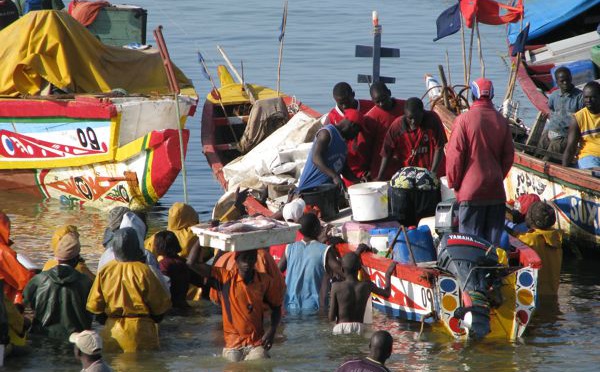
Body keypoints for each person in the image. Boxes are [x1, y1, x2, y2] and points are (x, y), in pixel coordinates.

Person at [446, 78, 514, 246]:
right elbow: (508, 156)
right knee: (493, 246)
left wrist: (454, 182)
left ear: (473, 95)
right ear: (492, 95)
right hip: (496, 190)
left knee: (471, 245)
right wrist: (498, 176)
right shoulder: (501, 121)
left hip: (471, 192)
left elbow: (455, 155)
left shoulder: (463, 120)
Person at [87, 228, 171, 353]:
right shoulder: (145, 271)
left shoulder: (106, 271)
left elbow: (94, 307)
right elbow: (160, 307)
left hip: (112, 333)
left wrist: (108, 319)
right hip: (142, 332)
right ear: (137, 246)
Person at [191, 250, 283, 362]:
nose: (248, 263)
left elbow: (277, 306)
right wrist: (201, 237)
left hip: (256, 343)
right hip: (233, 344)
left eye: (251, 258)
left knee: (260, 359)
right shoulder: (225, 278)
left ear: (255, 260)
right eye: (244, 259)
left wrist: (272, 331)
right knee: (233, 363)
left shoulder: (264, 281)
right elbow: (191, 263)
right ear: (236, 260)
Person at [23, 232, 93, 340]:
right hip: (77, 338)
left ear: (57, 258)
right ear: (77, 258)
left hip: (41, 335)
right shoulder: (85, 282)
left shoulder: (39, 279)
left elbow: (23, 305)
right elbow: (95, 310)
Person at [278, 212, 342, 314]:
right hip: (315, 309)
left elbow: (276, 272)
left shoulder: (289, 247)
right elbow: (343, 272)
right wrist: (356, 254)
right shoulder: (325, 250)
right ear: (317, 229)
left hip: (290, 306)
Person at [376, 97, 446, 181]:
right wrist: (380, 176)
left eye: (416, 118)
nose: (413, 121)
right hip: (408, 173)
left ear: (422, 113)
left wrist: (432, 173)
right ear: (405, 115)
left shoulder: (432, 120)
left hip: (431, 169)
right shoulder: (397, 126)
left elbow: (439, 147)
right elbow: (387, 152)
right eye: (410, 118)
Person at [329, 252, 395, 335]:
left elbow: (331, 317)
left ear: (342, 269)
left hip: (340, 328)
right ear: (359, 268)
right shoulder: (367, 285)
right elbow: (387, 293)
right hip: (360, 328)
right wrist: (388, 275)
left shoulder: (336, 287)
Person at [297, 112, 361, 191]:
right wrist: (334, 176)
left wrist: (357, 181)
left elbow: (344, 168)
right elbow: (316, 158)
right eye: (356, 133)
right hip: (310, 189)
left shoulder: (344, 143)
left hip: (328, 190)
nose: (354, 138)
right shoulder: (327, 133)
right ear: (352, 125)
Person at [326, 82, 375, 184]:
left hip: (371, 164)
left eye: (347, 101)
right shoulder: (332, 118)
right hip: (349, 168)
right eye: (341, 103)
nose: (344, 106)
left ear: (353, 95)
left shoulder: (370, 107)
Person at [516, 202, 562, 296]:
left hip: (534, 298)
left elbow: (514, 241)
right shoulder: (557, 237)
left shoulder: (530, 239)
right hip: (552, 294)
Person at [537, 67, 583, 161]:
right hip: (550, 131)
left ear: (571, 78)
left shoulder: (579, 97)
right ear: (557, 82)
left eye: (567, 80)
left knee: (547, 159)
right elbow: (552, 109)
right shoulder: (554, 96)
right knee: (536, 152)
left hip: (564, 135)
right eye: (562, 81)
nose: (565, 83)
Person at [365, 81, 406, 178]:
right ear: (372, 101)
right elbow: (367, 147)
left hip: (405, 162)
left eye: (383, 99)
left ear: (389, 93)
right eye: (377, 102)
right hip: (382, 168)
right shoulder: (370, 118)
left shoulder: (405, 107)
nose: (381, 103)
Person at [563, 81, 600, 169]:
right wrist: (564, 169)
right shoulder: (578, 118)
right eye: (586, 97)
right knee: (596, 174)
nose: (588, 101)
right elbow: (571, 147)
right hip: (590, 157)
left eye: (592, 97)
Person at [0, 212, 34, 306]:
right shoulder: (3, 252)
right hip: (4, 304)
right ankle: (17, 314)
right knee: (20, 289)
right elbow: (23, 280)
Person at [153, 230, 190, 309]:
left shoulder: (163, 264)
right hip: (184, 304)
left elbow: (162, 288)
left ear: (160, 246)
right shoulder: (183, 262)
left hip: (171, 308)